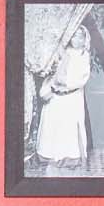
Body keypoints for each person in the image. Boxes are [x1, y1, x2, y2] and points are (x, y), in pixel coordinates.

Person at [32, 15, 94, 170]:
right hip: (56, 94)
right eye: (74, 36)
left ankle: (70, 158)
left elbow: (82, 78)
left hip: (71, 96)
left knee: (68, 126)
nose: (76, 40)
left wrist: (65, 84)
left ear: (85, 39)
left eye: (79, 37)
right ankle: (47, 156)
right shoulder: (63, 52)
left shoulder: (84, 56)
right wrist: (53, 81)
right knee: (52, 123)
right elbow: (54, 71)